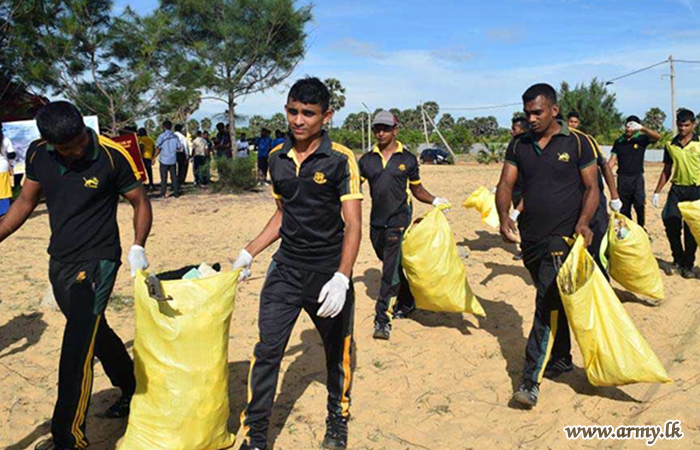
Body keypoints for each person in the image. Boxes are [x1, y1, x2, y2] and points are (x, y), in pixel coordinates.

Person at [0, 101, 152, 450]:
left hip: (99, 261)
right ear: (51, 143)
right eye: (67, 148)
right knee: (95, 334)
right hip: (60, 260)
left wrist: (137, 246)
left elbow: (139, 200)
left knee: (76, 349)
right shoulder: (38, 153)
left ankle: (69, 439)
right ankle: (133, 389)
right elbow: (25, 202)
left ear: (84, 127)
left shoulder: (111, 156)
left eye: (81, 140)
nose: (78, 150)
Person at [232, 77, 362, 450]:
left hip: (327, 273)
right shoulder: (277, 158)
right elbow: (282, 214)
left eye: (308, 113)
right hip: (285, 271)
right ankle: (256, 436)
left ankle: (337, 419)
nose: (298, 120)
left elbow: (353, 225)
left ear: (326, 116)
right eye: (293, 111)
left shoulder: (341, 159)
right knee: (267, 352)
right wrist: (250, 251)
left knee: (337, 354)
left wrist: (342, 277)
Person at [496, 84, 600, 409]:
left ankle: (530, 382)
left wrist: (584, 222)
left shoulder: (578, 142)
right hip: (530, 239)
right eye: (527, 113)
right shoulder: (519, 144)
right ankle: (562, 358)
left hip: (562, 238)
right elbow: (505, 183)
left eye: (537, 112)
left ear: (554, 110)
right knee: (553, 301)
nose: (531, 119)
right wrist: (503, 216)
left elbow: (592, 187)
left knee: (545, 304)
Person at [358, 110, 448, 340]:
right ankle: (407, 301)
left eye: (386, 128)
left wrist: (434, 200)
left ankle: (382, 320)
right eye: (377, 128)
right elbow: (353, 187)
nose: (381, 132)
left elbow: (416, 189)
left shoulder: (407, 159)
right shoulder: (366, 160)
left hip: (399, 220)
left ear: (395, 130)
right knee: (393, 265)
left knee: (389, 272)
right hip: (376, 223)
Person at [652, 109, 700, 279]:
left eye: (686, 125)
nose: (682, 129)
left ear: (693, 125)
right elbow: (667, 170)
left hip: (696, 191)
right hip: (677, 190)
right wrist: (657, 191)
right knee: (670, 221)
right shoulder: (670, 145)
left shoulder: (699, 143)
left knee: (690, 230)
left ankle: (688, 265)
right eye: (680, 125)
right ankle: (677, 258)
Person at [608, 115, 661, 229]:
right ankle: (629, 231)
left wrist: (642, 128)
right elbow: (612, 160)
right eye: (628, 125)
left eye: (632, 126)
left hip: (637, 178)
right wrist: (605, 173)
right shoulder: (619, 141)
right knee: (624, 208)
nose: (629, 128)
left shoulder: (641, 139)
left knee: (640, 205)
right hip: (622, 179)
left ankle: (641, 228)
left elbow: (657, 137)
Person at [155, 120, 182, 197]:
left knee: (163, 178)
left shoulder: (161, 136)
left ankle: (163, 193)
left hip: (164, 159)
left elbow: (158, 147)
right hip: (173, 159)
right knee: (174, 177)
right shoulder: (175, 137)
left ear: (163, 127)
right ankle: (176, 193)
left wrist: (154, 157)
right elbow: (179, 147)